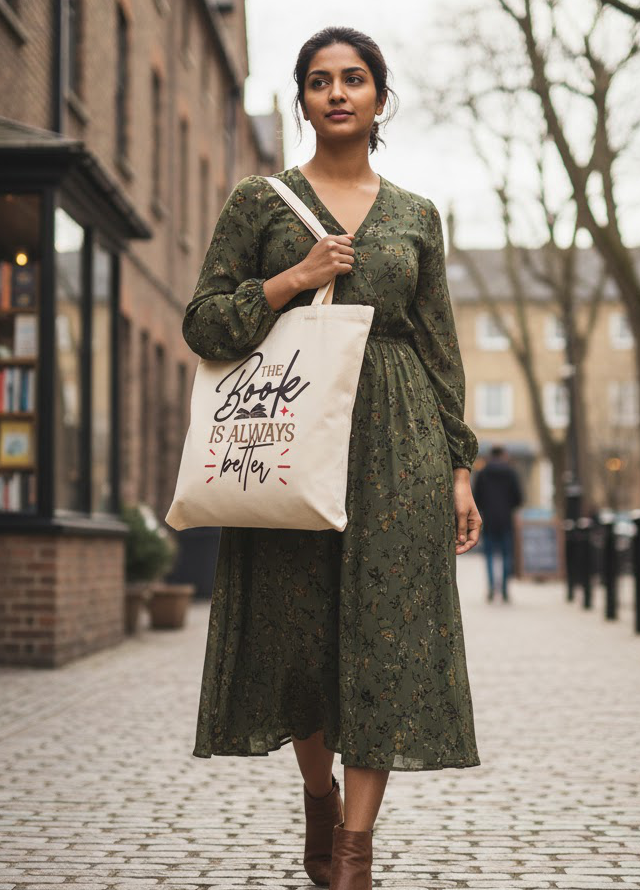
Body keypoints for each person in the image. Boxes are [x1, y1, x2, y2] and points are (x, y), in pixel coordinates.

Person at [181, 26, 482, 889]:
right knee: (302, 642)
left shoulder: (417, 215)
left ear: (380, 98)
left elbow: (440, 350)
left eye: (355, 79)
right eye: (320, 81)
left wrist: (459, 468)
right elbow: (204, 324)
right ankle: (319, 795)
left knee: (386, 643)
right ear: (305, 99)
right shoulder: (259, 201)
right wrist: (289, 280)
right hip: (288, 442)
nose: (338, 92)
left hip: (399, 447)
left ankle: (354, 850)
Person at [472, 444, 523, 603]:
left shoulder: (482, 474)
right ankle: (505, 590)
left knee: (489, 556)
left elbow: (476, 498)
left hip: (489, 520)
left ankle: (491, 588)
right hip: (506, 520)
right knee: (507, 555)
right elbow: (519, 498)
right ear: (503, 455)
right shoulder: (511, 473)